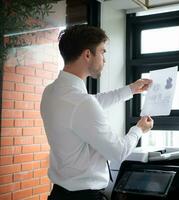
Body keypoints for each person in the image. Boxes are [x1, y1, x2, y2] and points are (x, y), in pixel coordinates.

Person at [40, 25, 154, 200]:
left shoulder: (51, 92)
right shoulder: (81, 103)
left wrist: (131, 89)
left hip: (58, 194)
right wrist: (139, 129)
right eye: (102, 52)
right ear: (87, 55)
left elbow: (93, 102)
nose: (104, 59)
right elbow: (117, 152)